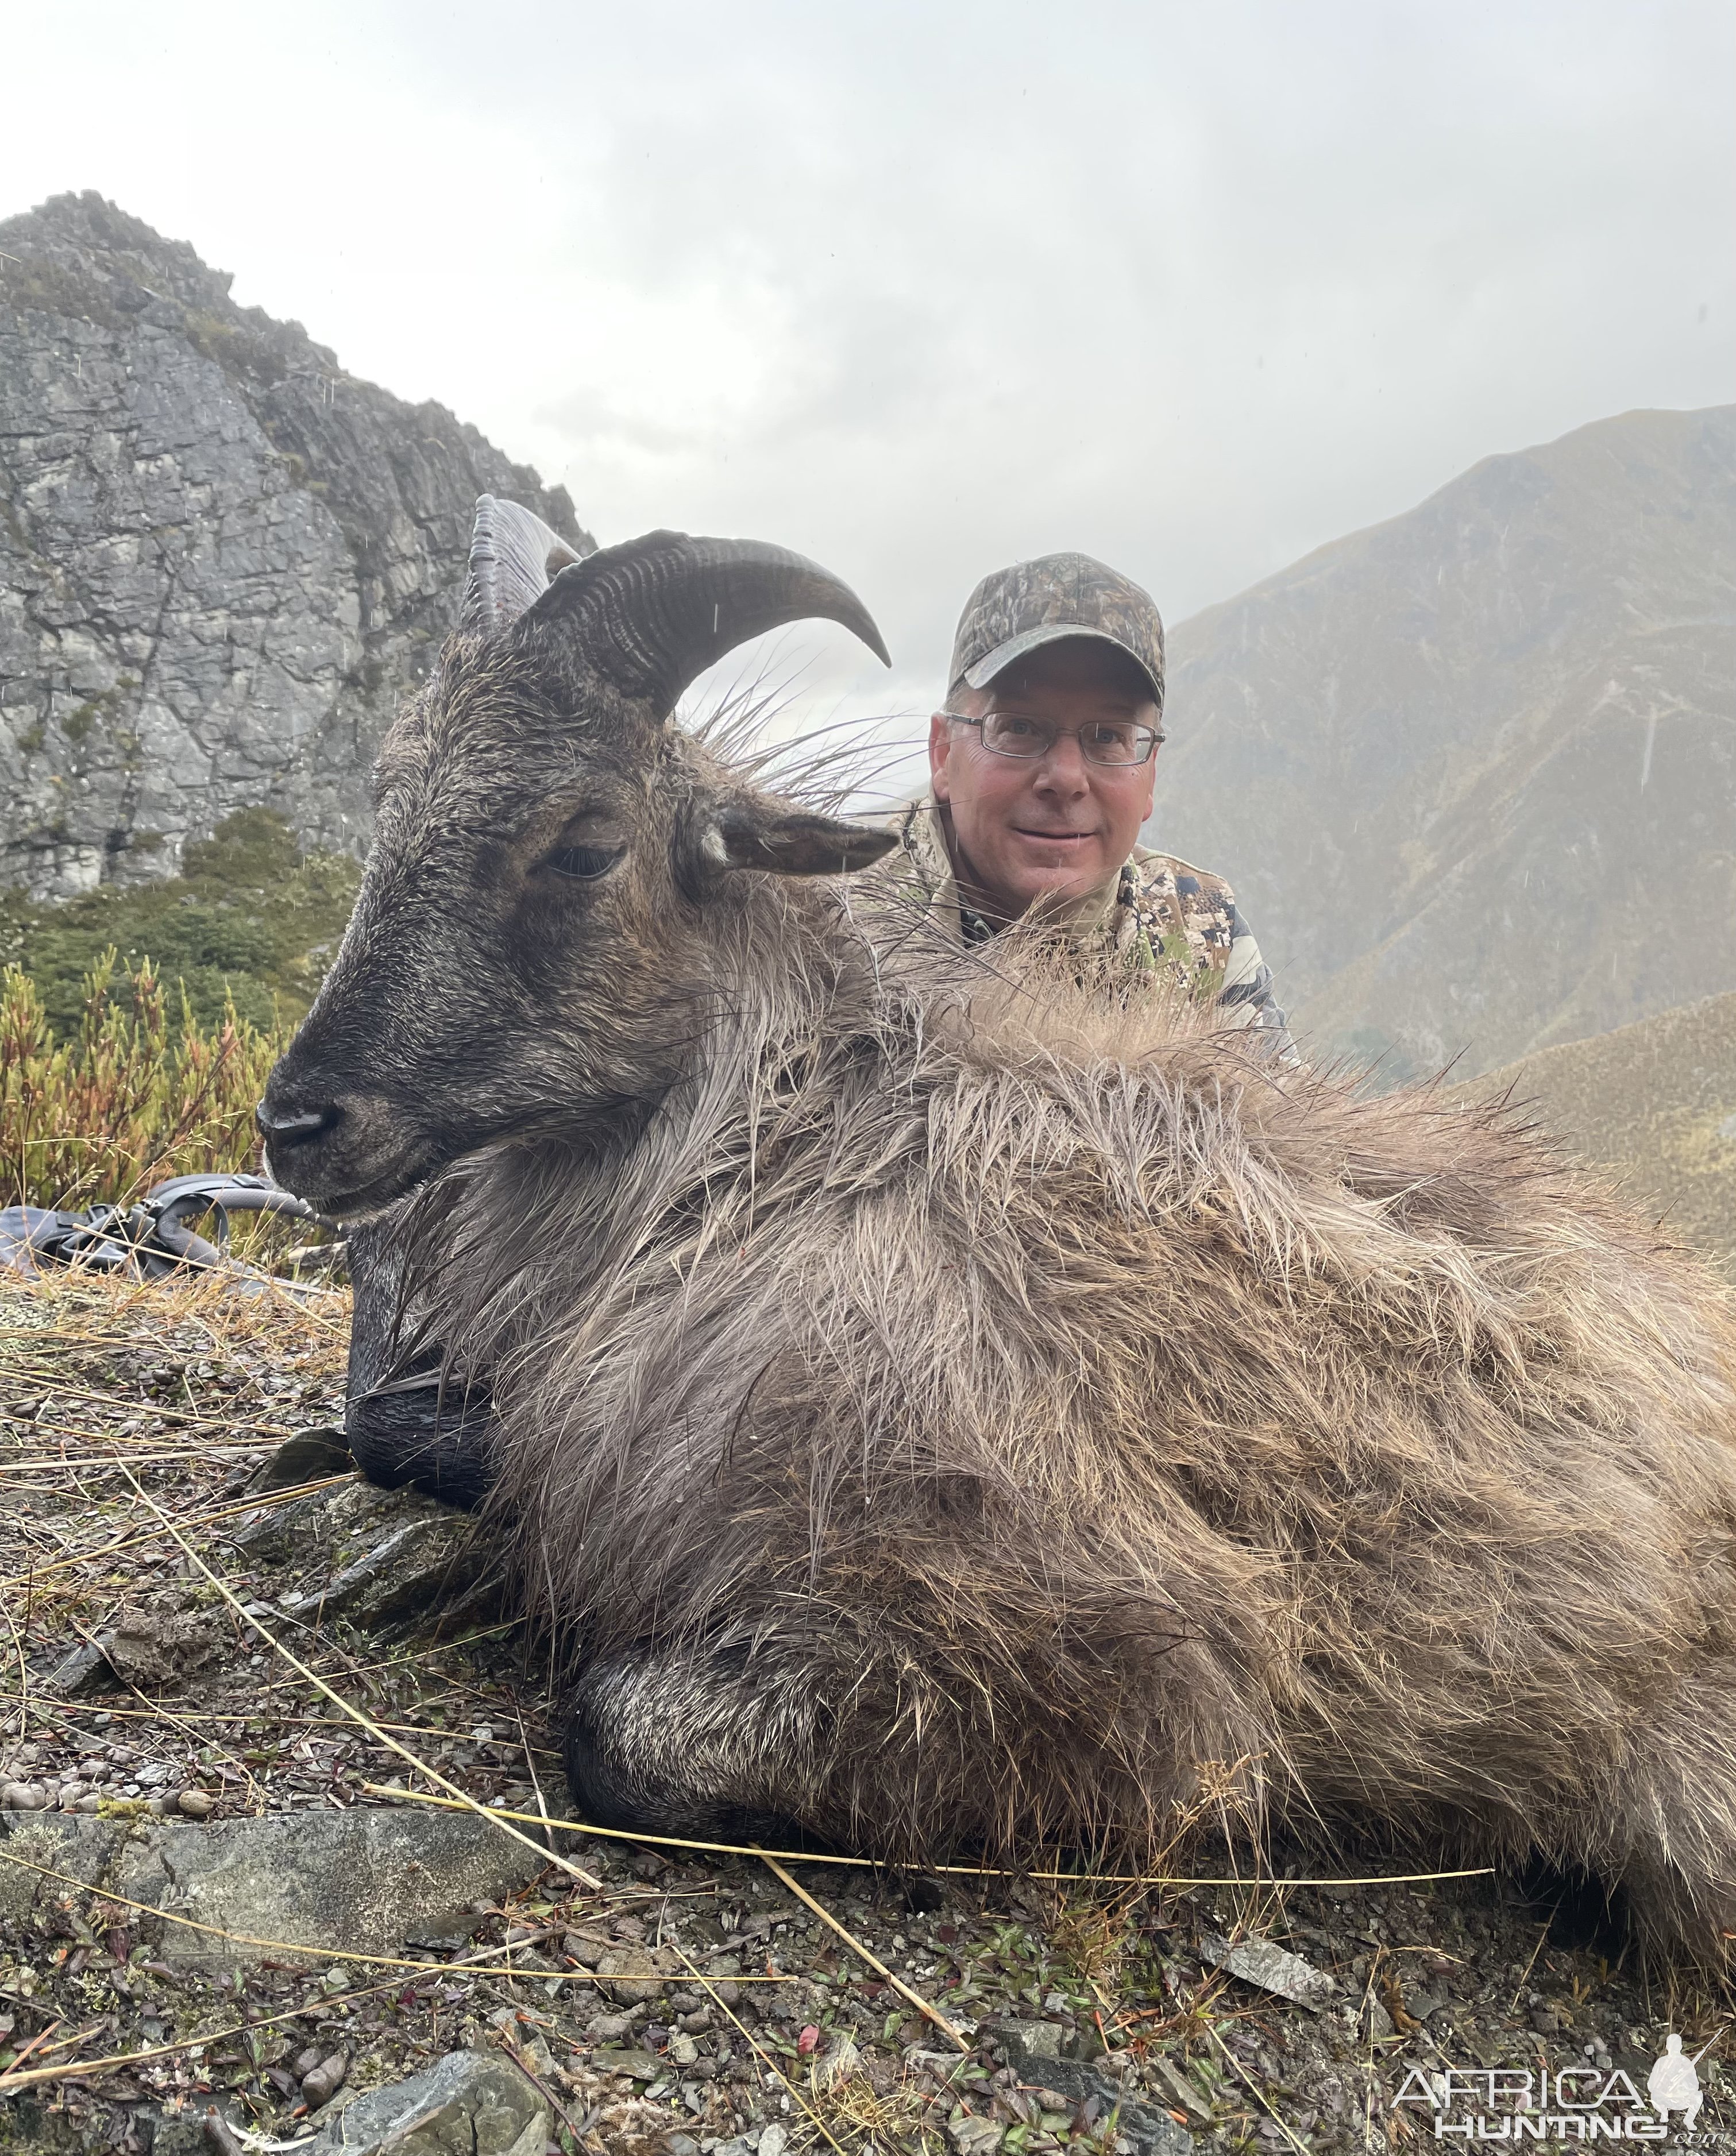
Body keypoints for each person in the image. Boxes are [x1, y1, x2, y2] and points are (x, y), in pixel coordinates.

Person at [894, 550, 1293, 1050]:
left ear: (1150, 775)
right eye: (1018, 728)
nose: (1066, 779)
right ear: (943, 752)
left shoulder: (1201, 925)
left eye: (1108, 736)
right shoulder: (833, 924)